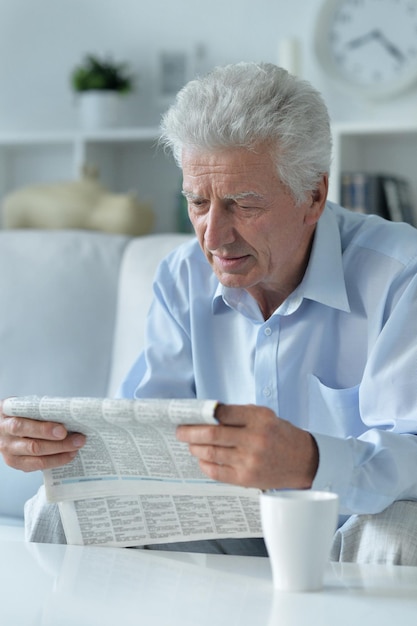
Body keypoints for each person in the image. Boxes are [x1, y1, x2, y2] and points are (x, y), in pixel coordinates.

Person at [1, 62, 417, 563]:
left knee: (397, 533)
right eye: (198, 203)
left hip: (353, 523)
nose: (213, 237)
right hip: (232, 520)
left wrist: (309, 461)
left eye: (243, 205)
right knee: (52, 507)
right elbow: (145, 429)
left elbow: (411, 451)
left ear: (314, 195)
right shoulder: (181, 276)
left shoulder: (401, 274)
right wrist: (58, 447)